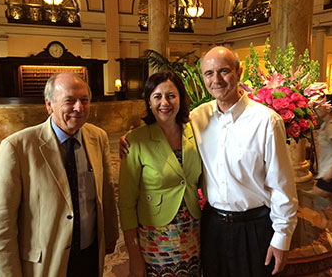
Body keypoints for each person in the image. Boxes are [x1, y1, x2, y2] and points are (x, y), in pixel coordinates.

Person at [120, 47, 298, 277]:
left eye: (224, 71)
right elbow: (163, 124)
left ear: (239, 72)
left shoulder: (265, 121)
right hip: (211, 226)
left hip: (254, 226)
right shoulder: (198, 117)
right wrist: (129, 138)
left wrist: (282, 238)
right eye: (209, 73)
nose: (216, 80)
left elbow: (282, 184)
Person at [0, 72, 119, 277]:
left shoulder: (98, 137)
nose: (79, 107)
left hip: (90, 255)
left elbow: (106, 191)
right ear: (49, 105)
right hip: (46, 263)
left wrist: (110, 234)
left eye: (84, 100)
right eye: (70, 101)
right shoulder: (17, 147)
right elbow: (1, 224)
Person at [118, 71, 202, 277]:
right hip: (156, 237)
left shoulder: (196, 133)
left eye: (171, 95)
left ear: (181, 99)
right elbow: (126, 203)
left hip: (193, 231)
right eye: (157, 96)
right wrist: (134, 253)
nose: (165, 102)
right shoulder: (135, 140)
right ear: (148, 101)